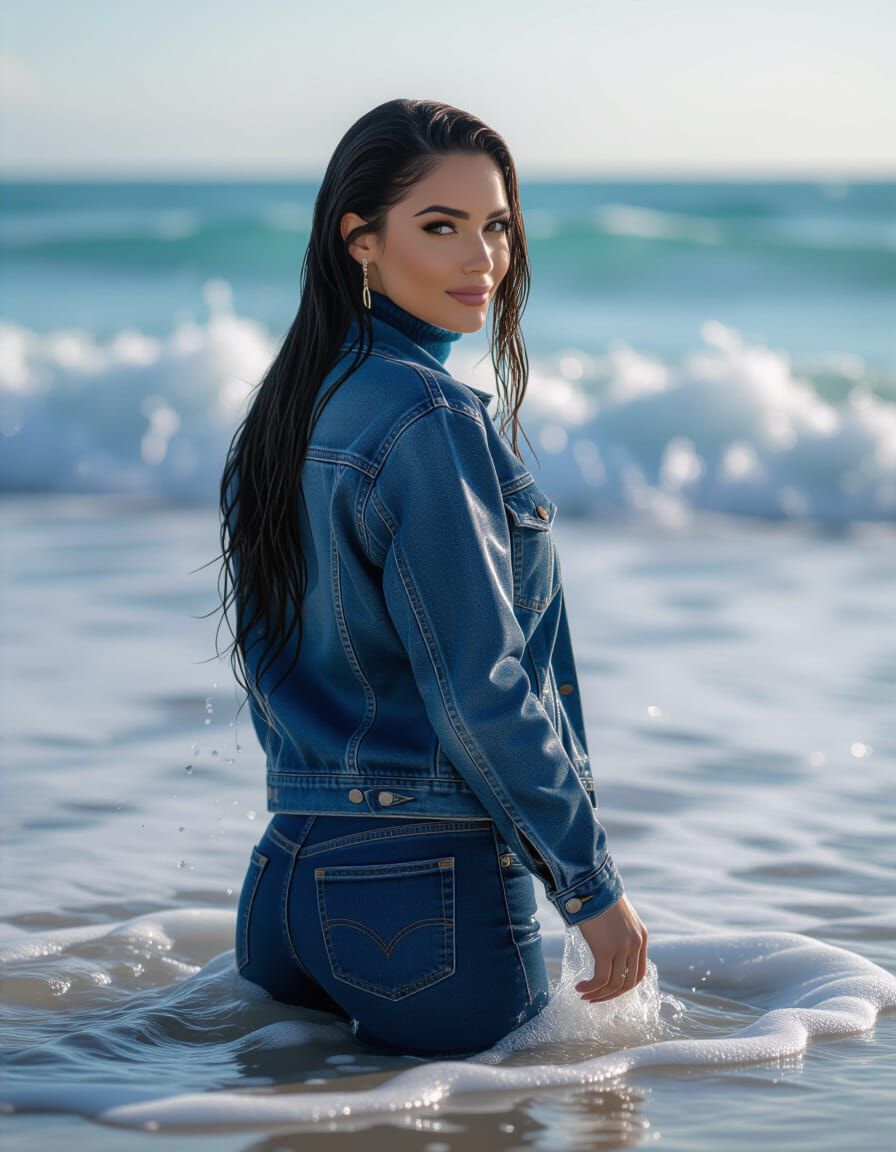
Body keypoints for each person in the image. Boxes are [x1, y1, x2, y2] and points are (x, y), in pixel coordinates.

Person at [218, 98, 648, 1059]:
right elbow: (479, 687)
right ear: (361, 241)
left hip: (284, 883)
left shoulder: (289, 405)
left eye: (497, 225)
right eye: (442, 226)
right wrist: (592, 891)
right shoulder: (429, 417)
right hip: (420, 898)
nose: (482, 259)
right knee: (579, 1107)